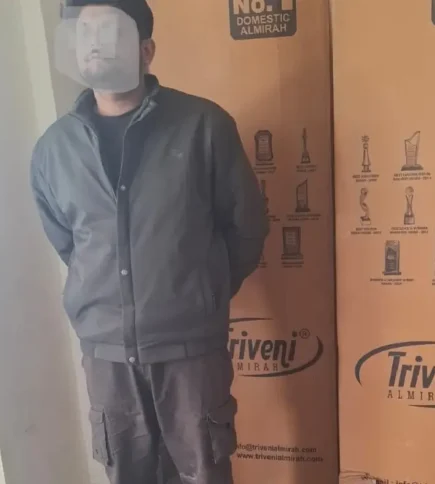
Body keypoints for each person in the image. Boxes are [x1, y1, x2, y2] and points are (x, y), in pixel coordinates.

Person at [29, 1, 269, 483]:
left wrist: (201, 293)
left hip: (190, 354)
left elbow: (246, 227)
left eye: (110, 31)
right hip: (107, 359)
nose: (94, 43)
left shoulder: (203, 127)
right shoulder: (55, 149)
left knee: (204, 474)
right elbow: (70, 244)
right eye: (84, 32)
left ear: (146, 50)